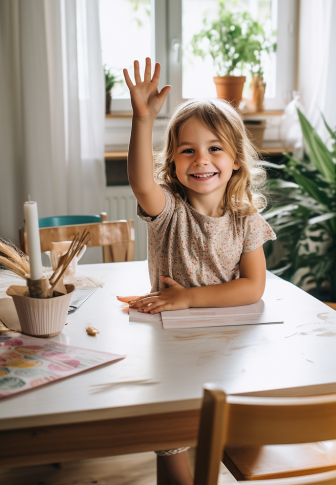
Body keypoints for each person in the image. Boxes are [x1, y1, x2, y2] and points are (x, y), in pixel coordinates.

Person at [119, 58, 276, 485]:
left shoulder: (246, 219)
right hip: (170, 341)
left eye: (214, 148)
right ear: (172, 161)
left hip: (228, 342)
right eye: (187, 149)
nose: (201, 160)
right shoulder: (168, 210)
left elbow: (253, 288)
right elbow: (139, 182)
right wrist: (141, 118)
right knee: (168, 429)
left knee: (233, 420)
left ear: (237, 160)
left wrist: (188, 296)